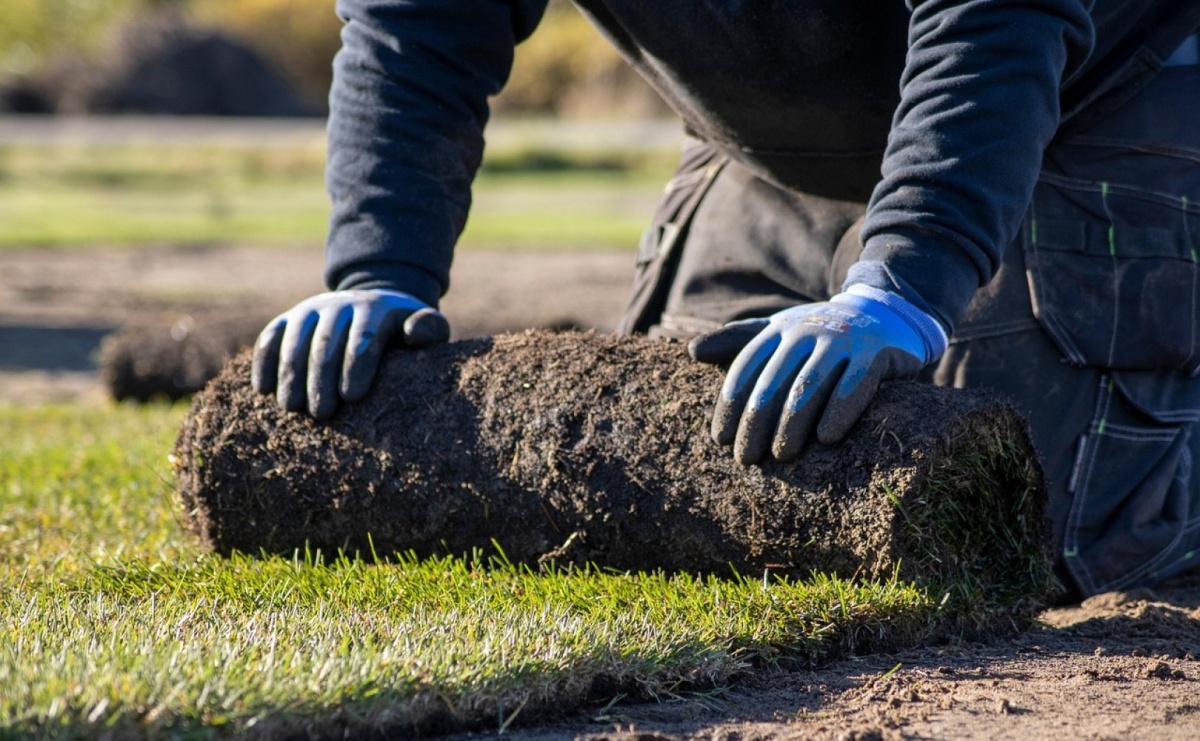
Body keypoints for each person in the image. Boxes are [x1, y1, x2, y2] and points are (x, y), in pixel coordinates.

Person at [251, 0, 1200, 599]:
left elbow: (995, 21)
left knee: (1046, 527)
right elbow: (417, 22)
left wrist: (905, 280)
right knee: (677, 490)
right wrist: (379, 267)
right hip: (762, 141)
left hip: (1089, 90)